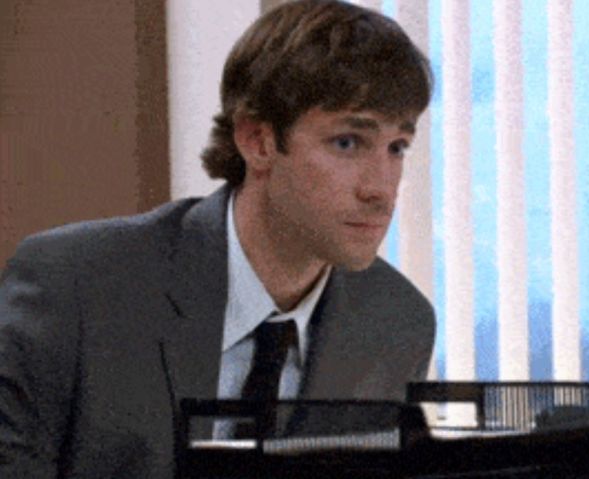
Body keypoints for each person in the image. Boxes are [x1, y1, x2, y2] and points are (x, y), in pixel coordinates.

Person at [0, 0, 435, 476]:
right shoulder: (76, 288)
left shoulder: (396, 324)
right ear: (256, 140)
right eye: (348, 143)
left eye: (397, 148)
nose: (380, 188)